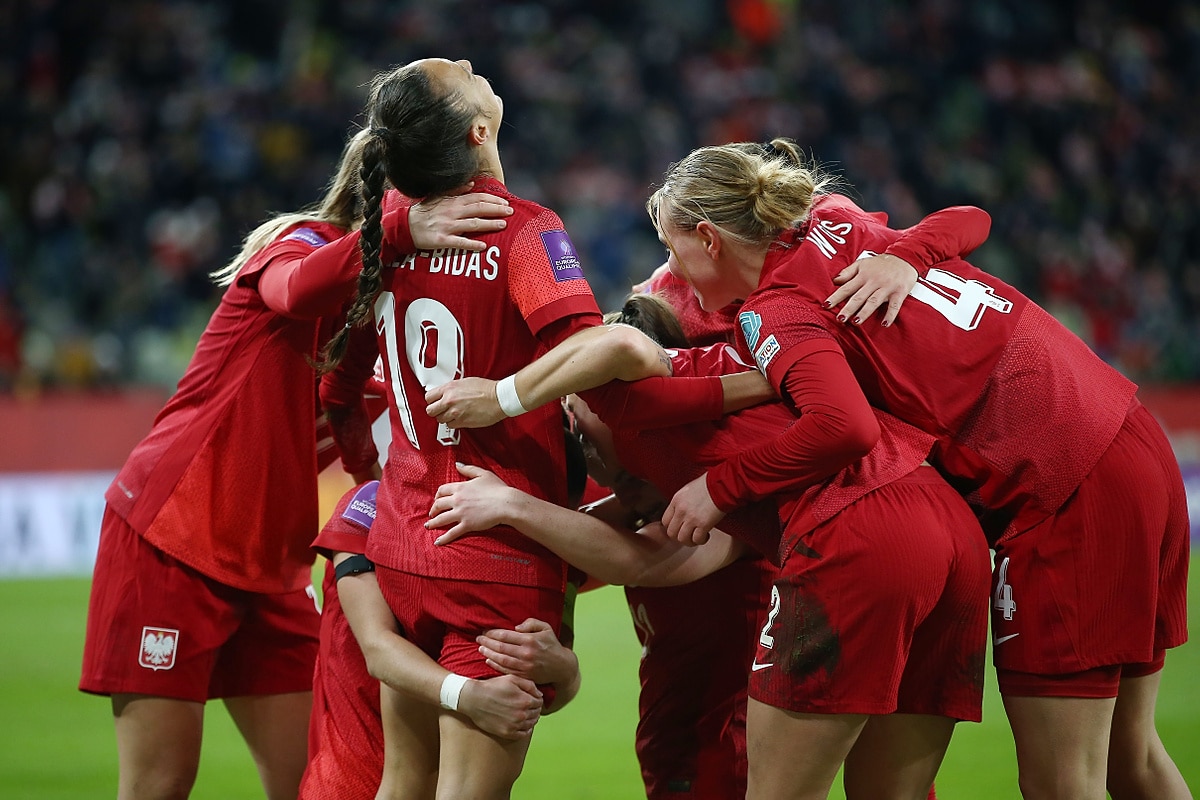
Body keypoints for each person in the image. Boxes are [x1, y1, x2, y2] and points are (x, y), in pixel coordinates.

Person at [647, 138, 1191, 800]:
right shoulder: (835, 220)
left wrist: (719, 486)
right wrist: (905, 256)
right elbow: (970, 218)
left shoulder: (778, 308)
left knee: (1062, 781)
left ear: (709, 239)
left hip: (1063, 488)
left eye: (672, 249)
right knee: (1130, 760)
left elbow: (842, 426)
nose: (673, 271)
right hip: (1130, 435)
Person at [78, 122, 514, 800]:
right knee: (159, 784)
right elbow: (294, 292)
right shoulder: (302, 244)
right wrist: (398, 231)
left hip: (272, 567)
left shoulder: (388, 309)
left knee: (314, 781)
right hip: (173, 537)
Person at [429, 291, 991, 800]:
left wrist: (508, 457)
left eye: (578, 409)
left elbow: (643, 558)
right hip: (688, 740)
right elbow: (582, 553)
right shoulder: (649, 482)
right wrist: (564, 668)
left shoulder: (710, 463)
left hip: (727, 745)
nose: (575, 435)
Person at [300, 479, 580, 799]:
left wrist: (566, 671)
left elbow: (526, 702)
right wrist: (468, 696)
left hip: (442, 780)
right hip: (351, 777)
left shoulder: (534, 554)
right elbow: (377, 649)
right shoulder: (371, 505)